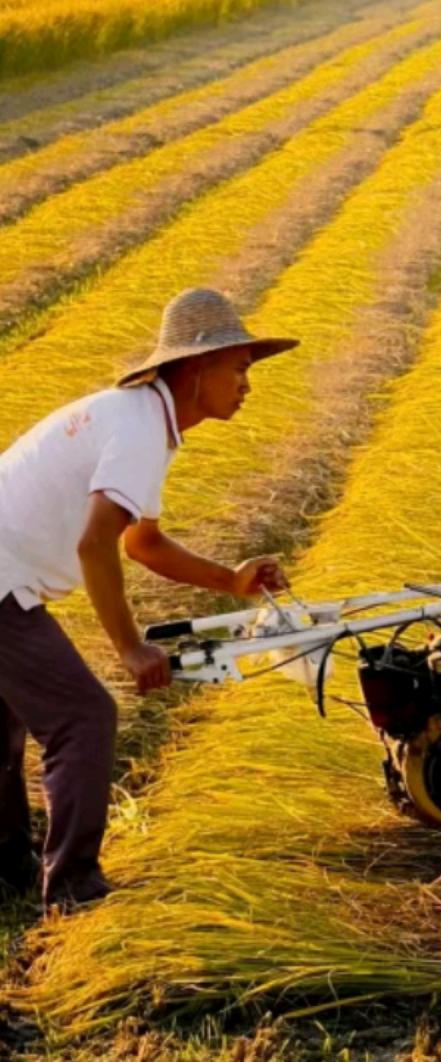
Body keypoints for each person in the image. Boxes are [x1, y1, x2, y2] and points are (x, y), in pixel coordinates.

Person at [0, 288, 297, 911]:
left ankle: (9, 871)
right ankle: (74, 891)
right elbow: (95, 544)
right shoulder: (137, 427)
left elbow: (143, 543)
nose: (247, 385)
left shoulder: (140, 420)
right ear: (196, 367)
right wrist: (131, 648)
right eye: (239, 368)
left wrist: (232, 581)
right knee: (84, 717)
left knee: (6, 724)